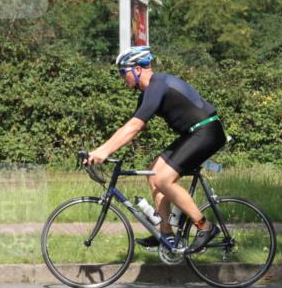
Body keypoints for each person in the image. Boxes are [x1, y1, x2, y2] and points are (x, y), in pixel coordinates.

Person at [84, 46, 226, 252]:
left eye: (123, 72)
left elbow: (135, 127)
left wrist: (103, 151)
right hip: (194, 133)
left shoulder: (157, 85)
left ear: (137, 69)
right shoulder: (148, 92)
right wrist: (102, 149)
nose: (122, 77)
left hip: (207, 132)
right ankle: (165, 234)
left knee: (163, 179)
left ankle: (205, 226)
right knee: (153, 174)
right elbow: (130, 126)